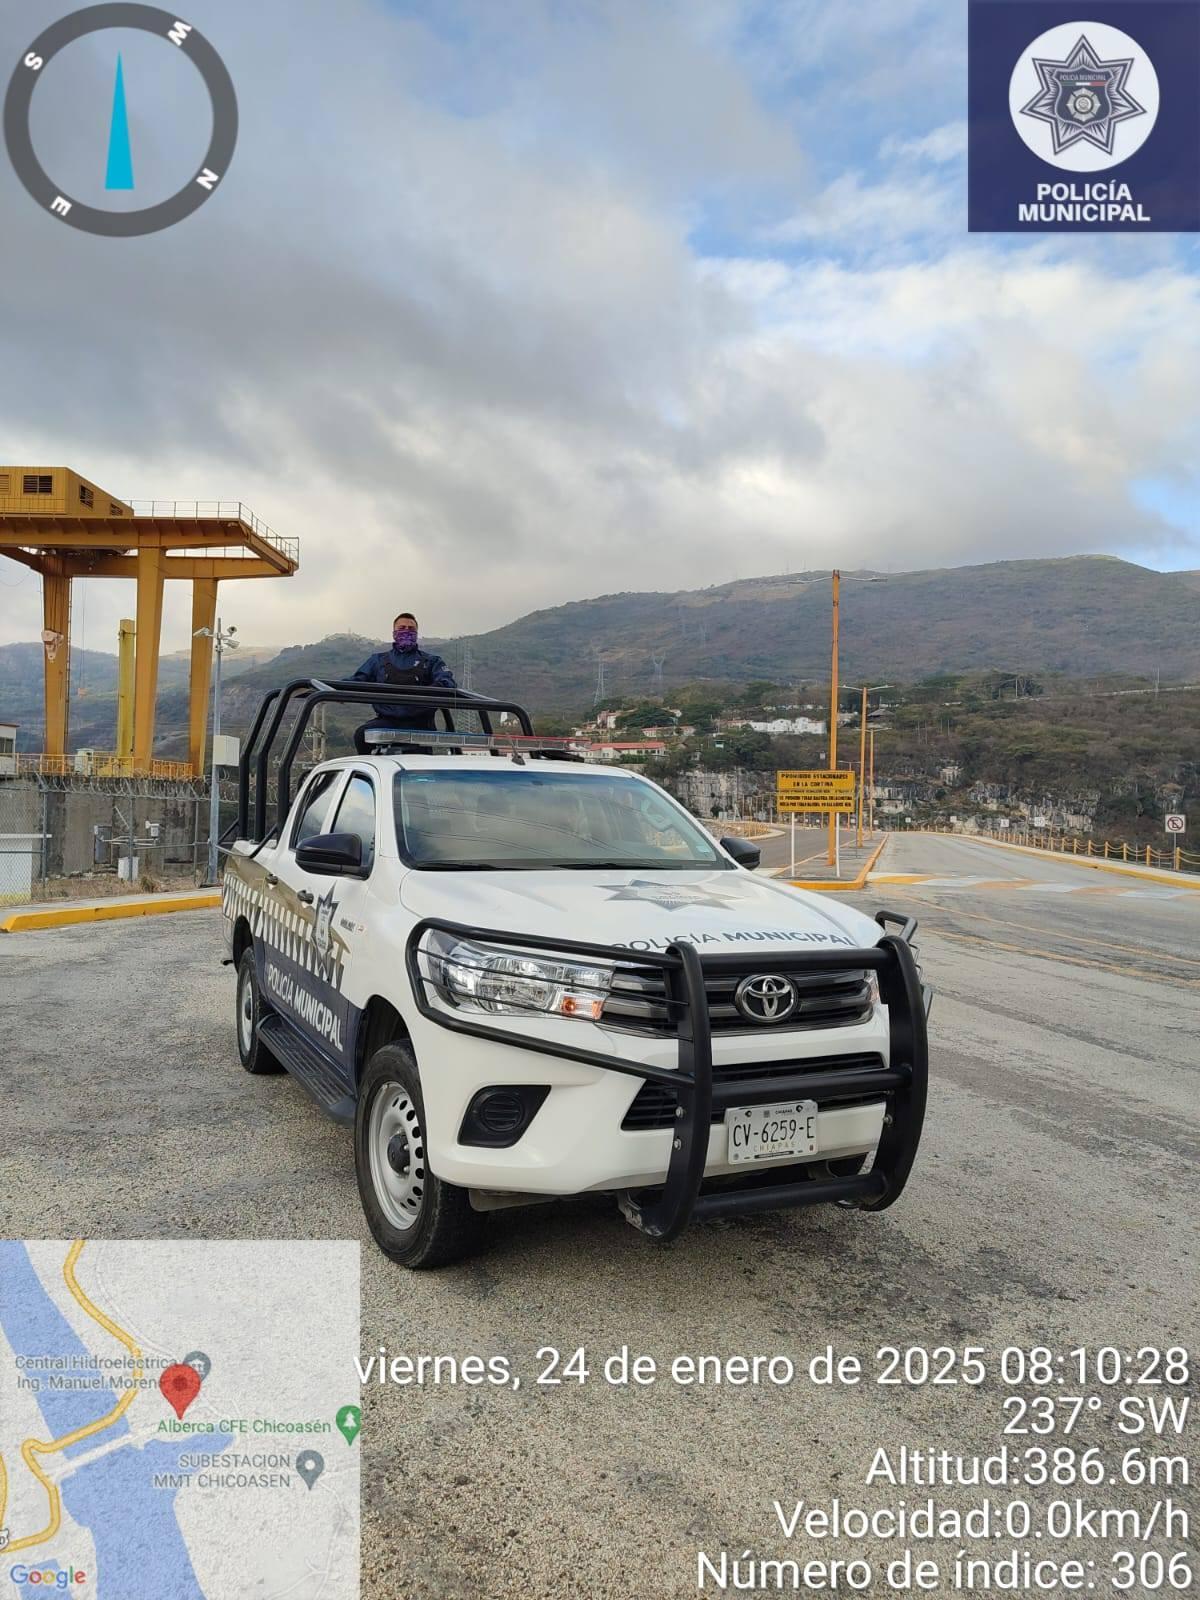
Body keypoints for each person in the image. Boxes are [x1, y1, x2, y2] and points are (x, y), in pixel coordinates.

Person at [351, 612, 457, 752]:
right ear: (394, 633)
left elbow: (447, 682)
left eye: (411, 629)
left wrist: (429, 691)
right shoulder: (378, 660)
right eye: (402, 628)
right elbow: (356, 681)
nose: (406, 631)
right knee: (361, 735)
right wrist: (331, 689)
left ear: (417, 633)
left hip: (420, 725)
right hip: (386, 721)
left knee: (418, 759)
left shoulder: (432, 661)